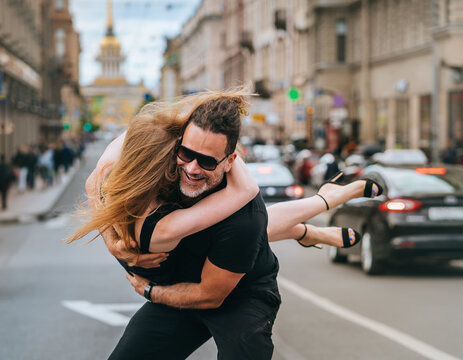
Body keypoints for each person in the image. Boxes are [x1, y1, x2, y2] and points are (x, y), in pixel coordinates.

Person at [67, 89, 381, 359]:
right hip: (183, 277)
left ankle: (320, 207)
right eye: (185, 154)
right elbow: (97, 181)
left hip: (238, 294)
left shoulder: (241, 215)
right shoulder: (152, 164)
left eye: (206, 160)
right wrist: (112, 240)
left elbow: (210, 294)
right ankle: (307, 228)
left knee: (252, 232)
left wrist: (149, 290)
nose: (191, 168)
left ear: (230, 161)